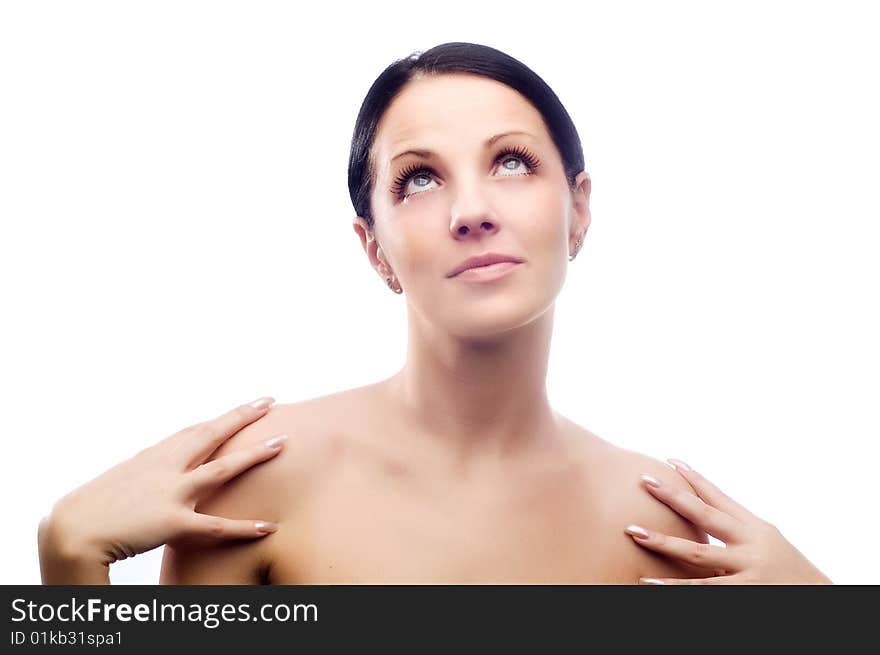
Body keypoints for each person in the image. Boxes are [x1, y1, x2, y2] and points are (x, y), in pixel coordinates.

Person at [38, 42, 832, 585]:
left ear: (578, 210)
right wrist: (69, 560)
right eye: (419, 178)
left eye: (512, 161)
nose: (471, 210)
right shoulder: (255, 482)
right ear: (374, 246)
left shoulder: (663, 521)